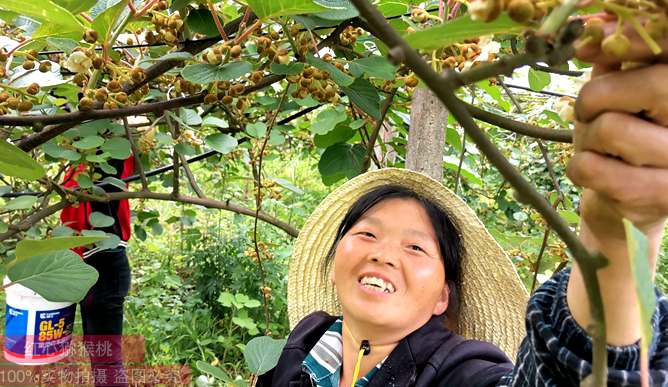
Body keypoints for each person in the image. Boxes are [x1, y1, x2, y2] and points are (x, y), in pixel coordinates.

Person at [257, 23, 668, 386]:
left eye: (416, 247)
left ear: (442, 298)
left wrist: (614, 238)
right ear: (332, 268)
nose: (382, 255)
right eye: (366, 234)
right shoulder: (302, 348)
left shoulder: (465, 372)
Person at [61, 156, 136, 387]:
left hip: (104, 263)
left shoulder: (108, 156)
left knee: (106, 360)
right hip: (85, 263)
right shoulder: (81, 157)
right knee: (98, 352)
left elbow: (102, 192)